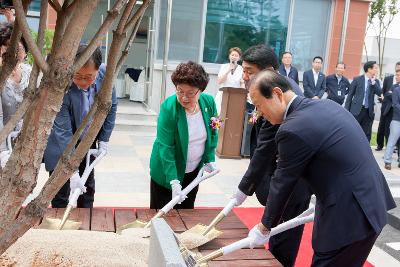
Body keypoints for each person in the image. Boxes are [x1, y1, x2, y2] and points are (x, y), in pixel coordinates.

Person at [247, 70, 395, 267]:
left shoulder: (291, 128)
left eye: (258, 106)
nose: (259, 113)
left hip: (348, 220)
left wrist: (264, 227)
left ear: (277, 94)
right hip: (371, 205)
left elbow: (282, 182)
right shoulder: (326, 106)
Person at [230, 44, 312, 267]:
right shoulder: (271, 86)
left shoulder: (280, 98)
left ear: (268, 70)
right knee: (277, 239)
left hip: (291, 187)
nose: (245, 76)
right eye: (243, 70)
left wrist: (241, 191)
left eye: (249, 71)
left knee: (281, 246)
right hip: (281, 181)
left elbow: (264, 149)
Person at [43, 45, 117, 208]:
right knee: (60, 190)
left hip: (87, 137)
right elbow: (63, 131)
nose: (83, 82)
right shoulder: (61, 85)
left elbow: (111, 107)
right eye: (78, 76)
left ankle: (86, 224)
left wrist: (104, 139)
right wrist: (72, 171)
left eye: (89, 77)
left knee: (86, 187)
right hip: (61, 140)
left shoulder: (106, 75)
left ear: (98, 70)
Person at [149, 61, 219, 209]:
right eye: (180, 91)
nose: (184, 98)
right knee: (162, 216)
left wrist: (209, 158)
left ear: (201, 91)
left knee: (186, 215)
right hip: (167, 173)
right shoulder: (169, 107)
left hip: (193, 172)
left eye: (190, 93)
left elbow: (213, 132)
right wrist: (173, 180)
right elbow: (166, 146)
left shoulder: (208, 102)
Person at [0, 22, 31, 166]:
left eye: (19, 48)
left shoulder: (31, 73)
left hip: (26, 145)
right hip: (3, 147)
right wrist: (3, 151)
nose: (14, 52)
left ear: (25, 52)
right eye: (7, 46)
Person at [345, 61, 382, 142]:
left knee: (365, 133)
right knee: (352, 131)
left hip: (368, 111)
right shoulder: (357, 79)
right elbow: (350, 95)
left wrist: (373, 82)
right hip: (356, 110)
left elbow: (379, 92)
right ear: (369, 69)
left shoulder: (376, 81)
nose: (377, 70)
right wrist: (346, 110)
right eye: (375, 68)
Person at [376, 62, 400, 151]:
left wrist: (392, 94)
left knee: (393, 129)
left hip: (397, 110)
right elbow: (385, 93)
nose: (398, 69)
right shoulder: (388, 79)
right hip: (387, 107)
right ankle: (380, 145)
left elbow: (390, 94)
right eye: (397, 67)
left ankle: (393, 147)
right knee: (383, 127)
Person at [215, 47, 244, 114]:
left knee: (232, 115)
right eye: (232, 55)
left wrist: (243, 95)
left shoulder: (241, 69)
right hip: (222, 95)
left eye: (236, 56)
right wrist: (228, 70)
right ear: (229, 56)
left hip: (235, 96)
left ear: (239, 58)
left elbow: (242, 83)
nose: (234, 57)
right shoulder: (224, 67)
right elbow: (219, 81)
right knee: (219, 115)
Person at [383, 69, 400, 170]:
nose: (397, 77)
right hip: (397, 120)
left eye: (399, 75)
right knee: (392, 141)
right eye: (397, 75)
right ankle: (387, 161)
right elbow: (395, 104)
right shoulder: (396, 90)